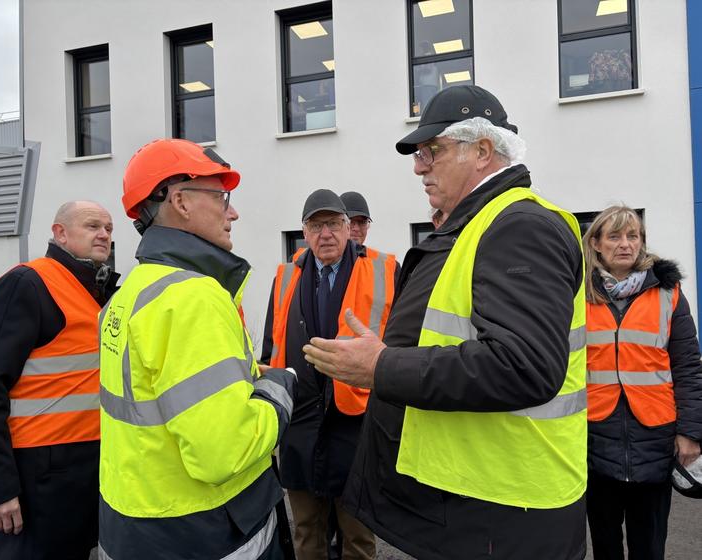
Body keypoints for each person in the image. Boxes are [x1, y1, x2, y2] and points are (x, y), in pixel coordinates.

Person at [303, 85, 588, 560]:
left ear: (482, 151)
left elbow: (524, 366)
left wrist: (383, 367)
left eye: (431, 152)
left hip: (507, 507)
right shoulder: (479, 224)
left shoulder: (519, 226)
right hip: (481, 498)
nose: (418, 166)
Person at [97, 139, 296, 560]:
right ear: (181, 201)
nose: (233, 211)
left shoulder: (130, 292)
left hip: (134, 520)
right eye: (222, 197)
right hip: (202, 528)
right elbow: (224, 453)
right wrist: (277, 388)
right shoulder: (192, 297)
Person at [0, 200, 118, 560]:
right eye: (92, 226)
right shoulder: (27, 284)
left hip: (82, 475)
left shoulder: (96, 291)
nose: (104, 235)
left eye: (108, 228)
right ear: (59, 233)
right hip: (36, 482)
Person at [261, 189, 397, 560]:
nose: (327, 234)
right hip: (300, 427)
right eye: (317, 225)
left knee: (358, 537)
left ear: (347, 227)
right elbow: (270, 349)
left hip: (357, 427)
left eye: (334, 224)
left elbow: (402, 349)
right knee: (307, 533)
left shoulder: (383, 270)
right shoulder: (286, 276)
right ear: (304, 232)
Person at [582, 206, 702, 560]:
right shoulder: (577, 296)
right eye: (615, 236)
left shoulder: (669, 294)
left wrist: (691, 433)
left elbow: (688, 368)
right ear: (597, 245)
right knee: (604, 544)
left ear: (642, 243)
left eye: (632, 236)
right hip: (594, 435)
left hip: (655, 434)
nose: (625, 244)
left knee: (649, 545)